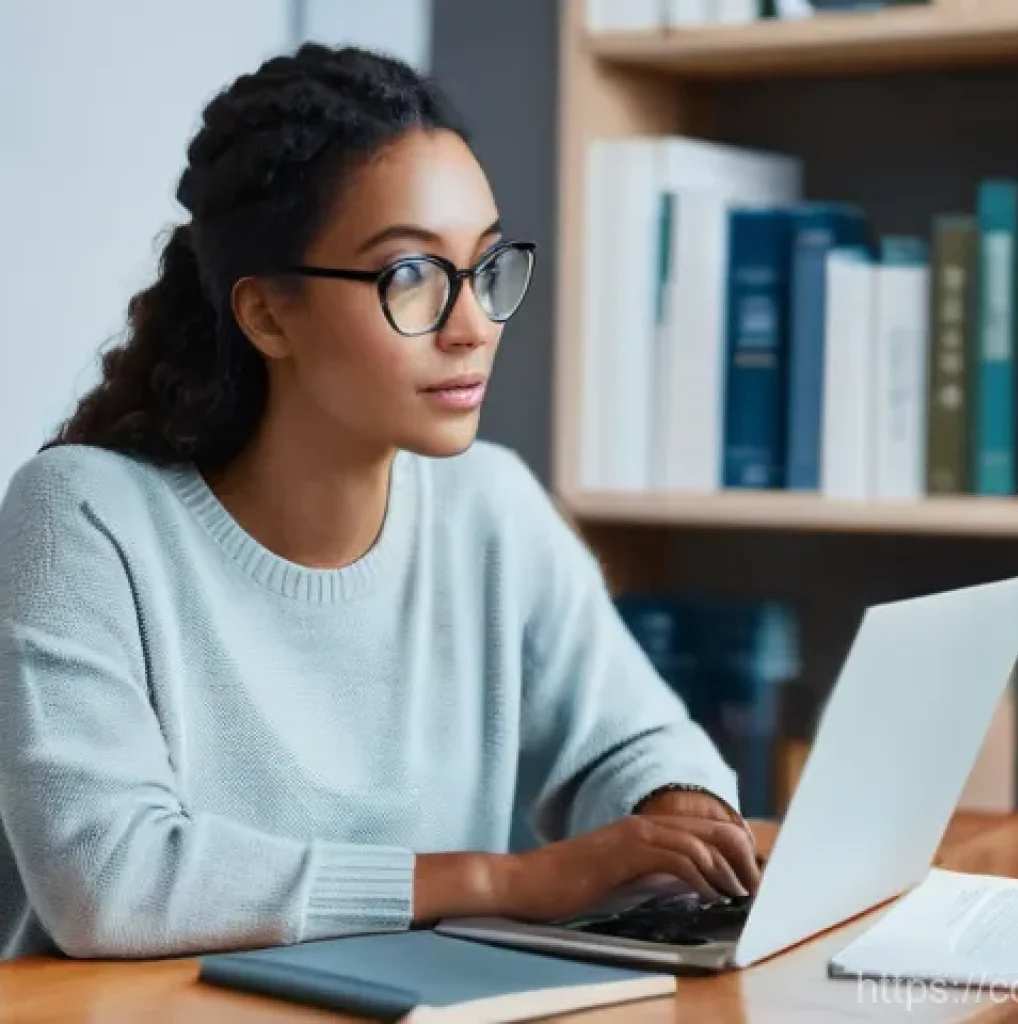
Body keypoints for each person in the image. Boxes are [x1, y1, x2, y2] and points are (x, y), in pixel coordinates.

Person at [0, 43, 759, 962]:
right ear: (267, 315)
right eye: (411, 277)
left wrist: (680, 816)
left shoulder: (490, 506)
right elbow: (108, 881)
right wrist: (500, 881)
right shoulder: (84, 517)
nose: (474, 324)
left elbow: (632, 742)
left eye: (484, 268)